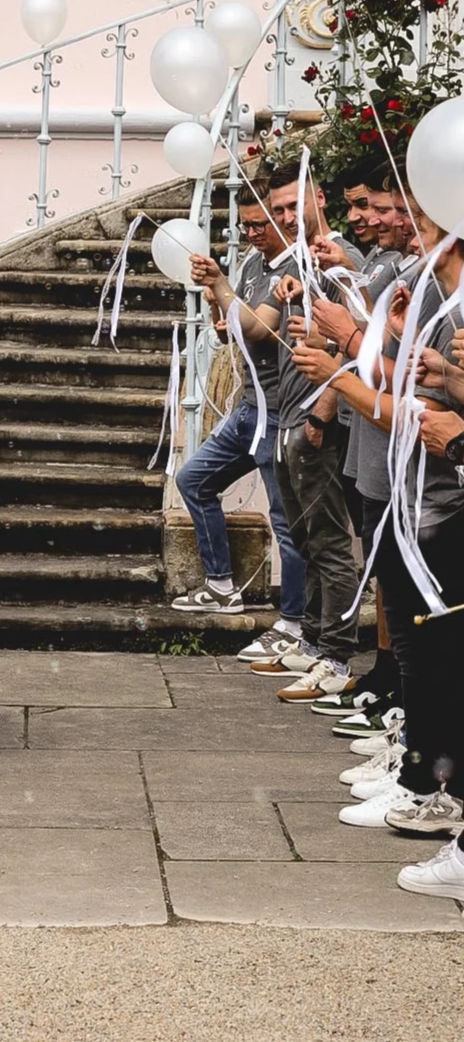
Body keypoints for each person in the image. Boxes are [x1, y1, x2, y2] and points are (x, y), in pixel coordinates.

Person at [293, 194, 464, 836]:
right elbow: (422, 385)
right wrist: (391, 339)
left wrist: (342, 370)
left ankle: (428, 782)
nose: (405, 234)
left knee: (432, 650)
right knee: (417, 642)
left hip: (436, 502)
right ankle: (415, 769)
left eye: (417, 223)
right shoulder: (420, 292)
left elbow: (417, 412)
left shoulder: (451, 302)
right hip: (400, 488)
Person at [243, 163, 364, 702]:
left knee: (330, 542)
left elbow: (361, 348)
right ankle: (313, 641)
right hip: (291, 414)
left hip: (318, 420)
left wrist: (321, 412)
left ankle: (335, 652)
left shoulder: (345, 261)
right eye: (281, 211)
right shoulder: (300, 262)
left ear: (319, 198)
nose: (289, 218)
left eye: (296, 207)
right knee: (307, 538)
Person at [177, 188, 309, 661]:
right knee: (193, 479)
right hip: (249, 407)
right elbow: (231, 322)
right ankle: (220, 584)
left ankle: (293, 623)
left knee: (286, 522)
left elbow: (259, 327)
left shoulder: (297, 267)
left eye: (260, 226)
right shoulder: (254, 265)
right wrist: (215, 296)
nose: (252, 234)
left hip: (280, 410)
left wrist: (221, 285)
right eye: (246, 227)